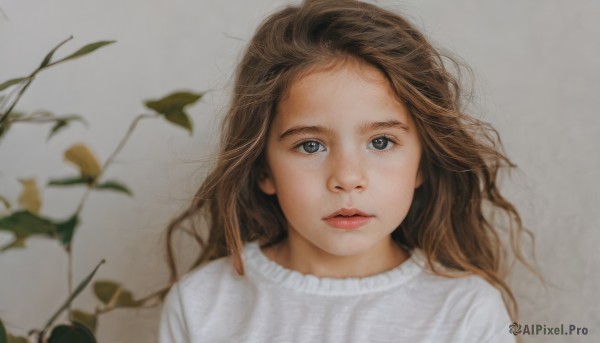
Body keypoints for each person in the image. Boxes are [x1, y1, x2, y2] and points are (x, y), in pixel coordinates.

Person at [159, 1, 535, 342]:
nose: (348, 177)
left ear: (423, 163)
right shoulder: (201, 304)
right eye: (310, 145)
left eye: (382, 142)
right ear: (263, 169)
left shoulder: (466, 312)